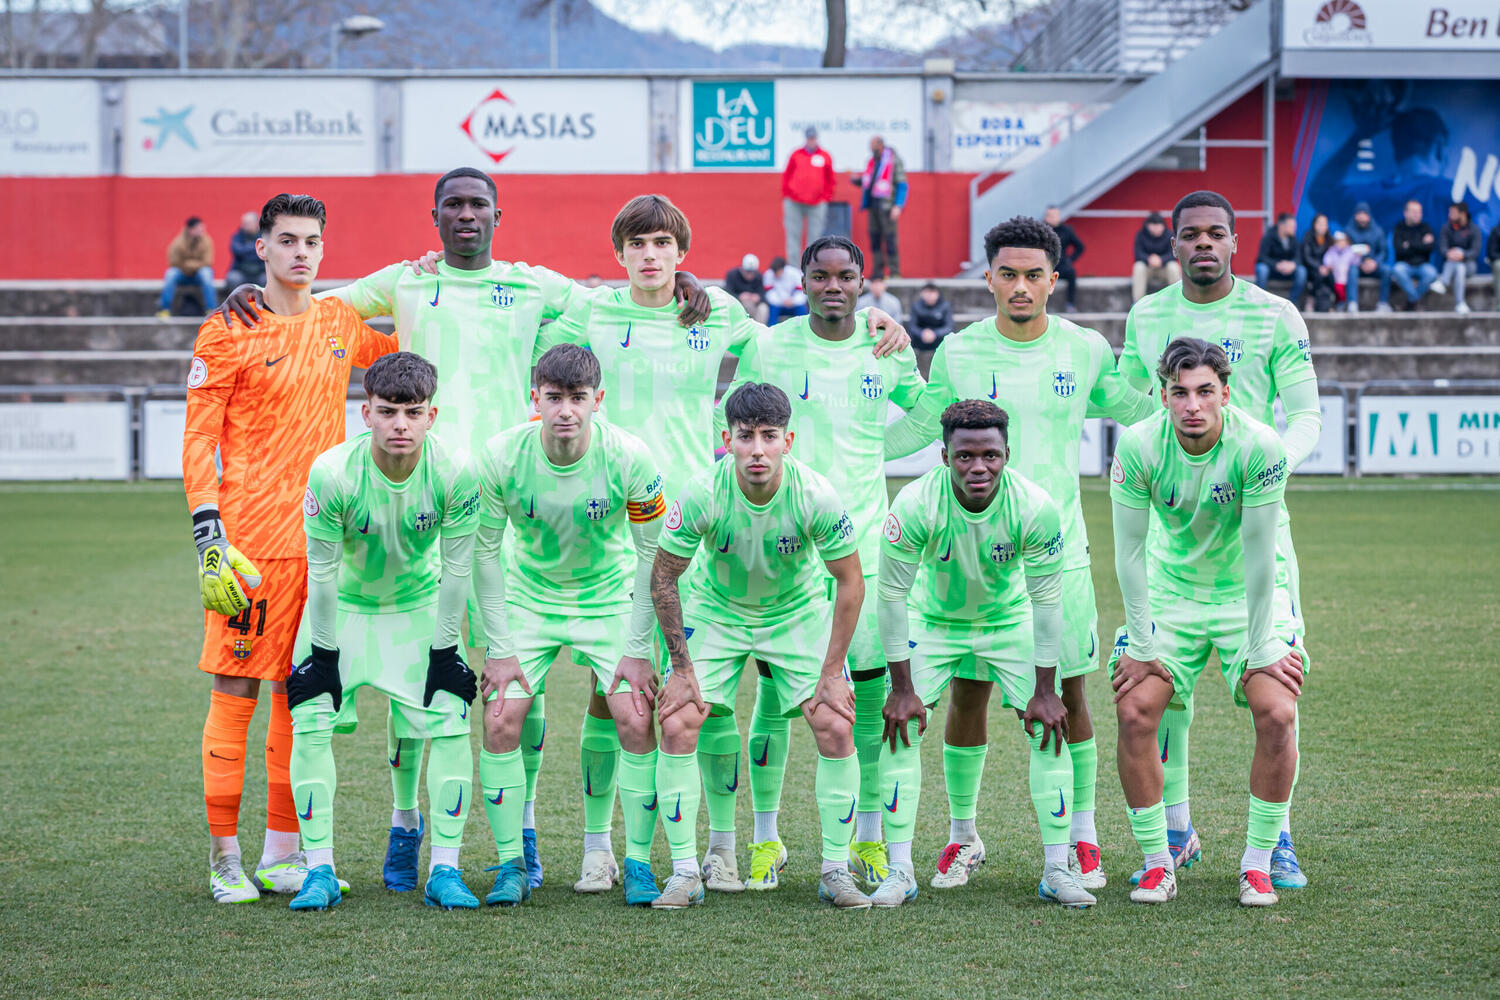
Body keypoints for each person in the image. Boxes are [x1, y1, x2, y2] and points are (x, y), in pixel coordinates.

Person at [221, 168, 711, 895]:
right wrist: (257, 295)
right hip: (429, 497)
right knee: (421, 674)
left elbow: (620, 302)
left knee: (516, 689)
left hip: (511, 509)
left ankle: (527, 840)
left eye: (479, 204)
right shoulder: (407, 280)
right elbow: (316, 311)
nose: (466, 214)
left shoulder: (532, 284)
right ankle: (405, 824)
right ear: (436, 216)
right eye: (453, 204)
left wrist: (686, 286)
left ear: (497, 216)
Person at [539, 198, 907, 896]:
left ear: (681, 252)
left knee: (705, 701)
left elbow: (799, 339)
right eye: (637, 243)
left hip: (699, 526)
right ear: (619, 252)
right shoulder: (590, 313)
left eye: (662, 243)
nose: (650, 255)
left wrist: (874, 326)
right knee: (613, 691)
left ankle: (722, 851)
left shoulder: (717, 312)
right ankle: (601, 850)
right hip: (613, 524)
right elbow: (528, 346)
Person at [883, 216, 1156, 894]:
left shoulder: (1085, 349)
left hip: (1056, 552)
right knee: (967, 690)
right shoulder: (959, 351)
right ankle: (962, 836)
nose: (1021, 287)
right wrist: (873, 380)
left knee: (1068, 693)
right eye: (1008, 274)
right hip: (969, 553)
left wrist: (1158, 353)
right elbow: (920, 425)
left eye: (1034, 275)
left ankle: (1081, 838)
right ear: (989, 279)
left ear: (1054, 279)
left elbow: (1139, 409)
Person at [183, 192, 394, 904]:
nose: (301, 252)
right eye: (288, 240)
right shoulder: (226, 330)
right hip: (250, 547)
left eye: (312, 241)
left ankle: (281, 854)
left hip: (325, 546)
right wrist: (208, 533)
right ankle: (224, 859)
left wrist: (439, 287)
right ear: (262, 248)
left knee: (298, 696)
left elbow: (407, 360)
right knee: (236, 690)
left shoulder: (339, 322)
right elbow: (198, 439)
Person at [1119, 189, 1319, 892]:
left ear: (1235, 241)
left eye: (1215, 233)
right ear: (1173, 243)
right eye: (1190, 234)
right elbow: (1131, 401)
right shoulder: (1146, 316)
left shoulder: (1275, 314)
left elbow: (1306, 415)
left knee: (1274, 687)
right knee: (1158, 694)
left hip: (1254, 523)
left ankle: (1276, 839)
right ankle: (1173, 831)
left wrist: (1265, 469)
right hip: (1175, 528)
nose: (1203, 243)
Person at [717, 235, 925, 896]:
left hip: (863, 543)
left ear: (863, 281)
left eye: (845, 275)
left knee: (866, 693)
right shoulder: (771, 346)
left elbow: (926, 418)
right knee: (776, 696)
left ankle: (866, 836)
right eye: (820, 275)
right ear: (801, 281)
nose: (833, 285)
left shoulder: (885, 347)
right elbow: (733, 411)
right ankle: (766, 839)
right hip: (788, 543)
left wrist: (873, 447)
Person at [649, 382, 869, 909]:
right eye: (745, 436)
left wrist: (833, 671)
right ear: (727, 439)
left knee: (836, 723)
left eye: (769, 436)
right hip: (718, 609)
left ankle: (835, 871)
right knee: (678, 719)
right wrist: (681, 668)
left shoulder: (815, 494)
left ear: (787, 441)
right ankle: (685, 873)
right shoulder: (702, 491)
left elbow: (850, 582)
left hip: (794, 611)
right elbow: (663, 577)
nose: (757, 450)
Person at [1109, 336, 1306, 908]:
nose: (1192, 405)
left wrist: (1263, 645)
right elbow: (1129, 553)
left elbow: (1260, 552)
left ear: (1225, 393)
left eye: (1204, 392)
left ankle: (1259, 863)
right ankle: (1158, 862)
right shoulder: (1138, 445)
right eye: (1179, 393)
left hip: (1247, 593)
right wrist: (1141, 643)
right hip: (1171, 592)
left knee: (1277, 710)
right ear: (1163, 396)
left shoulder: (1260, 445)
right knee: (1134, 710)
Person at [471, 344, 668, 908]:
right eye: (553, 398)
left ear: (597, 400)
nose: (565, 411)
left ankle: (636, 863)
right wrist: (499, 649)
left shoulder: (630, 456)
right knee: (500, 716)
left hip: (607, 595)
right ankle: (511, 865)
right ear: (534, 398)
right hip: (529, 596)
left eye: (577, 398)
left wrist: (638, 649)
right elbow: (484, 553)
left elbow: (651, 557)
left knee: (635, 715)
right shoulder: (501, 456)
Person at [879, 399, 1095, 908]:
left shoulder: (1035, 506)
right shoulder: (914, 504)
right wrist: (903, 689)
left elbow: (1047, 600)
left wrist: (1046, 690)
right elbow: (891, 596)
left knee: (1047, 726)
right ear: (944, 457)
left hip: (1008, 618)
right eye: (965, 456)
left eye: (990, 456)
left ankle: (1057, 869)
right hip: (934, 621)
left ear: (1007, 455)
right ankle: (900, 871)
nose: (979, 467)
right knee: (902, 726)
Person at [284, 352, 480, 912]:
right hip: (341, 610)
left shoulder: (456, 471)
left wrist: (445, 650)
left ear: (431, 416)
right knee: (310, 722)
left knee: (448, 721)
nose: (400, 424)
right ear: (366, 412)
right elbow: (321, 573)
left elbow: (457, 570)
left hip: (417, 607)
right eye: (388, 411)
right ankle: (319, 870)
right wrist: (323, 656)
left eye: (413, 412)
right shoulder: (332, 473)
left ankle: (443, 868)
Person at [853, 136, 907, 278]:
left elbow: (902, 184)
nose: (871, 149)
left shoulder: (893, 160)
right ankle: (878, 272)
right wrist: (857, 181)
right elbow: (870, 182)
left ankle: (894, 272)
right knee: (875, 239)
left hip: (887, 206)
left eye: (873, 146)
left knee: (890, 239)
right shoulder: (872, 162)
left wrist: (898, 205)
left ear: (881, 145)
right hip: (873, 206)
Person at [782, 126, 835, 263]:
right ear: (805, 139)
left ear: (817, 138)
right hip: (794, 202)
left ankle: (811, 267)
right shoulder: (796, 154)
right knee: (793, 235)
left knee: (815, 237)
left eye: (813, 138)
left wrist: (825, 197)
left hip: (817, 203)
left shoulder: (825, 156)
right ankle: (793, 268)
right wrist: (787, 193)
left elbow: (830, 179)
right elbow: (787, 175)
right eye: (809, 138)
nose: (811, 141)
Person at [158, 216, 217, 317]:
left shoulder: (206, 241)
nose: (202, 231)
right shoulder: (178, 242)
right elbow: (173, 261)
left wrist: (189, 265)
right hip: (182, 274)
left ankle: (212, 310)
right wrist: (192, 265)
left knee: (206, 273)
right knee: (171, 274)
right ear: (191, 229)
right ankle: (165, 310)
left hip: (198, 274)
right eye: (199, 228)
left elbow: (208, 262)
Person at [1432, 200, 1481, 314]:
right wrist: (1449, 253)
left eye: (1453, 213)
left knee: (1460, 258)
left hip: (1469, 265)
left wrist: (1462, 255)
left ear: (1462, 214)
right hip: (1452, 265)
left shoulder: (1474, 229)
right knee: (1459, 268)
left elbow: (1475, 251)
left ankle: (1443, 282)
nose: (1450, 215)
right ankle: (1460, 303)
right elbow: (1442, 247)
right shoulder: (1446, 228)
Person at [1390, 199, 1439, 311]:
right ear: (1405, 213)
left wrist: (1409, 245)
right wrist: (1421, 244)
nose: (1417, 214)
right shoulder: (1399, 228)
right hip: (1405, 264)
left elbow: (1431, 248)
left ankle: (1411, 302)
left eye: (1419, 212)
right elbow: (1399, 250)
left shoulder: (1425, 227)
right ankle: (1416, 300)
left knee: (1431, 273)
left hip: (1422, 265)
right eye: (1414, 212)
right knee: (1398, 270)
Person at [1344, 202, 1390, 313]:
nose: (1361, 217)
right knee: (1351, 270)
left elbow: (1383, 251)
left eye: (1364, 214)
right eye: (1359, 214)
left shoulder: (1377, 231)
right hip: (1358, 265)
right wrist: (1359, 262)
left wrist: (1375, 263)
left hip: (1374, 265)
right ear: (1355, 215)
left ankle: (1383, 303)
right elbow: (1344, 251)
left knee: (1387, 270)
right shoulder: (1348, 231)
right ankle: (1352, 303)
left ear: (1369, 216)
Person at [1254, 213, 1306, 308]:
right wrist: (1276, 265)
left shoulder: (1293, 238)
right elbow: (1262, 257)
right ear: (1281, 226)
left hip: (1289, 271)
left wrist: (1293, 264)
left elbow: (1299, 256)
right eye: (1291, 226)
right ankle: (1260, 302)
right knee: (1262, 269)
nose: (1294, 229)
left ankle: (1293, 303)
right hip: (1272, 270)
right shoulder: (1268, 237)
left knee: (1302, 271)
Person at [1044, 205, 1084, 312]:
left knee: (1071, 273)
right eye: (1050, 215)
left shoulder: (1066, 230)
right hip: (1046, 265)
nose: (1052, 218)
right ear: (1046, 217)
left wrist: (1070, 260)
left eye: (1055, 215)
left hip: (1062, 265)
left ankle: (1070, 304)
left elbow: (1080, 247)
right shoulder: (1042, 231)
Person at [1130, 212, 1178, 301]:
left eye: (1159, 225)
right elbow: (1138, 253)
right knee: (1138, 266)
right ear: (1148, 226)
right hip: (1148, 270)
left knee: (1173, 266)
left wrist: (1161, 260)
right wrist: (1149, 259)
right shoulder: (1141, 235)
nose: (1157, 228)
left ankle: (1176, 299)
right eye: (1154, 225)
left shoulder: (1169, 235)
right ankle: (1138, 302)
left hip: (1164, 270)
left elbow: (1174, 254)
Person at [1299, 213, 1336, 312]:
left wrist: (1328, 266)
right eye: (1320, 223)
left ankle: (1331, 303)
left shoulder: (1329, 239)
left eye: (1324, 224)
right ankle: (1310, 299)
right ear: (1314, 225)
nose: (1322, 226)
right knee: (1318, 275)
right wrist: (1319, 267)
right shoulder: (1308, 237)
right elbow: (1306, 257)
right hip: (1311, 268)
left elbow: (1332, 255)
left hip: (1325, 268)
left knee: (1332, 276)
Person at [223, 211, 266, 292]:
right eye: (244, 223)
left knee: (268, 279)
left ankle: (264, 300)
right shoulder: (237, 236)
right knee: (232, 278)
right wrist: (254, 250)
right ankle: (238, 300)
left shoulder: (265, 236)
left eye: (248, 223)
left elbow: (265, 252)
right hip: (241, 272)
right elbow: (236, 251)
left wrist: (245, 251)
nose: (245, 226)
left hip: (260, 272)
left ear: (257, 223)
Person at [1322, 231, 1361, 312]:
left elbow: (1355, 262)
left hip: (1345, 275)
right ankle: (1340, 303)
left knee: (1344, 290)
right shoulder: (1332, 250)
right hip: (1335, 275)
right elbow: (1327, 258)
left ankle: (1346, 303)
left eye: (1343, 241)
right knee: (1338, 290)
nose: (1341, 243)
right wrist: (1328, 265)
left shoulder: (1350, 251)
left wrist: (1358, 256)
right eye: (1339, 241)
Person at [725, 253, 769, 324]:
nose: (750, 275)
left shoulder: (758, 276)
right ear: (741, 268)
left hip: (755, 305)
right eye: (748, 272)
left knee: (763, 308)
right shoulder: (732, 275)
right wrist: (739, 297)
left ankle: (759, 329)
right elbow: (727, 293)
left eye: (752, 272)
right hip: (738, 305)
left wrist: (758, 297)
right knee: (747, 305)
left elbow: (763, 295)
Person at [909, 282, 953, 352]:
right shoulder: (916, 306)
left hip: (939, 338)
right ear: (922, 294)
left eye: (932, 292)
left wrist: (935, 334)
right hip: (920, 339)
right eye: (927, 292)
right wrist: (922, 333)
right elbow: (912, 326)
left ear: (937, 294)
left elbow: (948, 327)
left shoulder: (945, 306)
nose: (929, 295)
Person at [763, 256, 808, 324]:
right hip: (778, 305)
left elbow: (802, 292)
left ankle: (803, 327)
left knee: (801, 308)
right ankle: (772, 328)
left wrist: (793, 301)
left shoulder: (794, 273)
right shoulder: (769, 274)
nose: (775, 274)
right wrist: (782, 301)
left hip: (794, 304)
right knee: (773, 309)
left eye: (777, 271)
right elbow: (769, 293)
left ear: (783, 268)